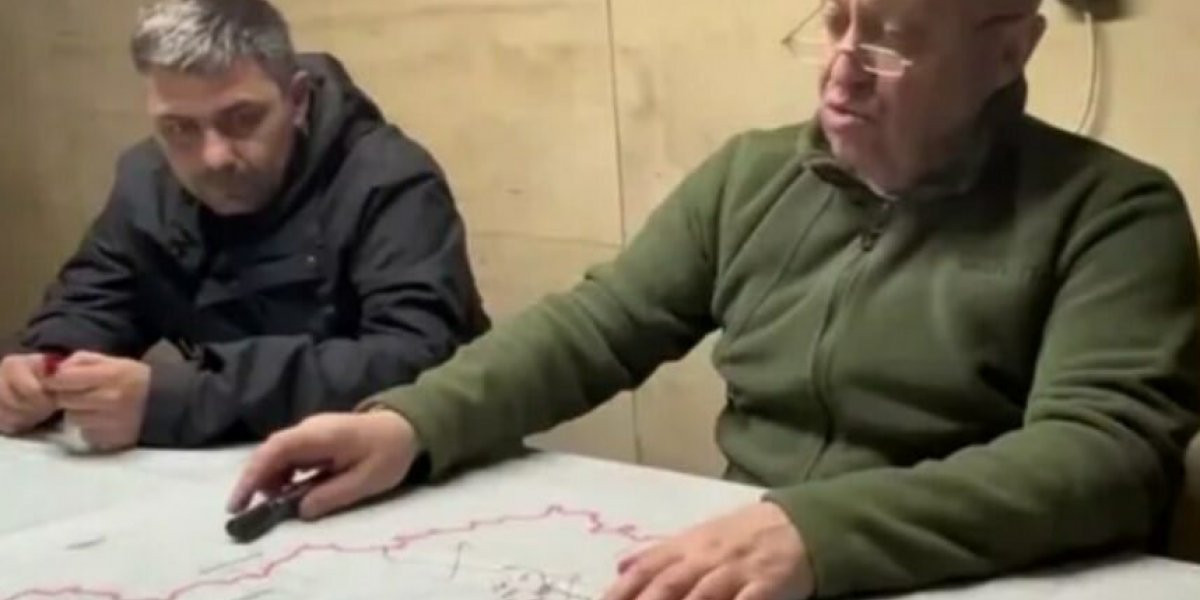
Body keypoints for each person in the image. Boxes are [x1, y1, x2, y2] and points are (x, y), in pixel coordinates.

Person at [230, 0, 1200, 598]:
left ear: (1008, 50)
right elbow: (600, 325)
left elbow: (1103, 454)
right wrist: (412, 422)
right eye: (836, 20)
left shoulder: (1114, 212)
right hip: (752, 558)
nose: (842, 68)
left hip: (965, 573)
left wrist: (821, 532)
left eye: (893, 41)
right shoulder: (752, 175)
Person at [0, 0, 488, 452]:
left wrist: (178, 399)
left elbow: (417, 360)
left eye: (242, 118)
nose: (213, 156)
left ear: (297, 100)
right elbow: (92, 303)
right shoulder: (147, 183)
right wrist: (42, 367)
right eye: (179, 128)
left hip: (405, 470)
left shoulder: (387, 179)